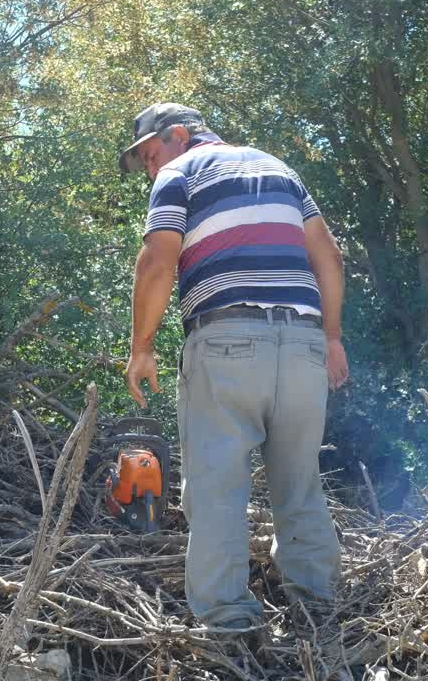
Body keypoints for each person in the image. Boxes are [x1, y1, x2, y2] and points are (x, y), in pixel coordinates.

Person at [118, 102, 348, 633]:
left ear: (179, 136)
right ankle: (318, 611)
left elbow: (158, 261)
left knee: (217, 485)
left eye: (151, 155)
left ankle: (229, 627)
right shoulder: (280, 170)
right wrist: (332, 338)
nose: (151, 168)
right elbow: (329, 258)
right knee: (300, 482)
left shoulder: (181, 172)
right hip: (303, 346)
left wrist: (142, 347)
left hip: (224, 342)